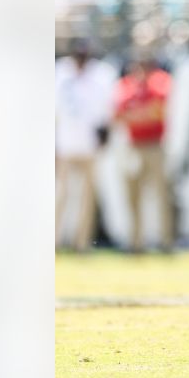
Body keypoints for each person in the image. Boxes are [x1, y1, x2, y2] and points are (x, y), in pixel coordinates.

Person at [55, 39, 117, 252]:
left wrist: (104, 136)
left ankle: (81, 243)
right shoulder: (61, 72)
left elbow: (107, 110)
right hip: (66, 145)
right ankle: (54, 239)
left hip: (89, 146)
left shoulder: (100, 74)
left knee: (87, 198)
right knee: (61, 195)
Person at [113, 59, 173, 253]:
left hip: (155, 145)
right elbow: (118, 114)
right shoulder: (126, 85)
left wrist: (136, 114)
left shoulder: (160, 81)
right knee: (132, 195)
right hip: (134, 145)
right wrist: (143, 114)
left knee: (161, 195)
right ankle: (135, 242)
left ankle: (165, 241)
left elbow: (159, 111)